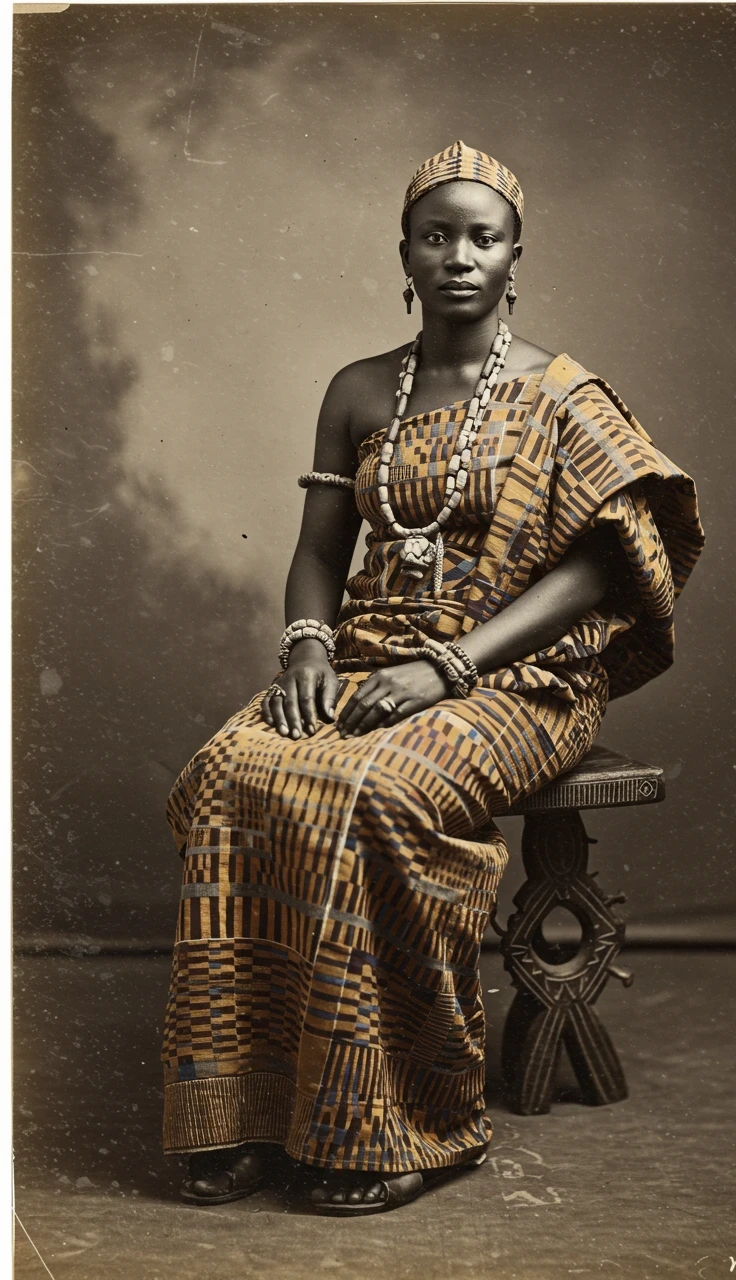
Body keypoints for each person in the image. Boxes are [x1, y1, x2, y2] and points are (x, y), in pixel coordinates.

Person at [161, 140, 705, 1216]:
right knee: (228, 774)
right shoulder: (359, 388)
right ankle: (254, 1111)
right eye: (436, 235)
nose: (458, 255)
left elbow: (605, 563)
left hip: (520, 679)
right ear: (402, 252)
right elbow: (319, 547)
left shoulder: (556, 391)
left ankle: (403, 1121)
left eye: (482, 236)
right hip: (366, 655)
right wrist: (309, 644)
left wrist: (446, 665)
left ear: (514, 254)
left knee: (378, 792)